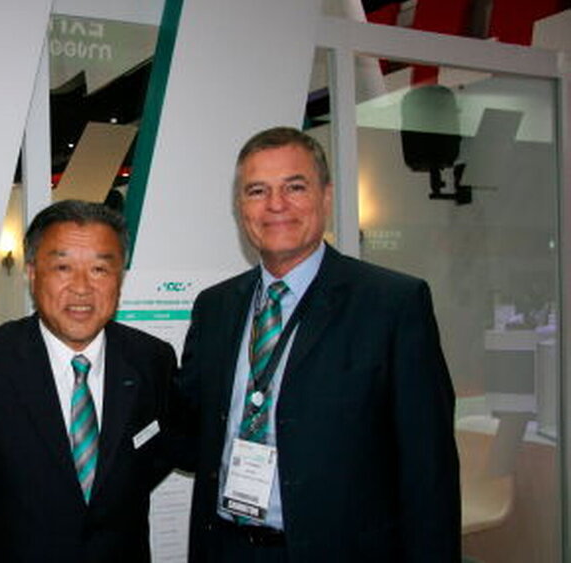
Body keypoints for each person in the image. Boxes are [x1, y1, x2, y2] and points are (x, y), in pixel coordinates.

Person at [179, 127, 460, 562]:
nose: (276, 204)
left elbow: (429, 469)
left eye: (295, 187)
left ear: (326, 196)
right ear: (240, 207)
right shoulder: (215, 307)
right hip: (226, 548)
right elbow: (187, 428)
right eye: (257, 191)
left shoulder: (392, 304)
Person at [0, 199, 179, 562]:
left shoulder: (152, 359)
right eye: (63, 267)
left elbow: (157, 456)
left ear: (119, 278)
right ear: (32, 274)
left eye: (99, 269)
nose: (81, 288)